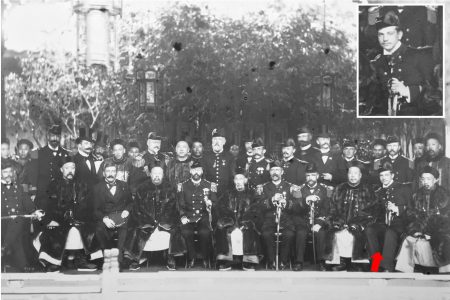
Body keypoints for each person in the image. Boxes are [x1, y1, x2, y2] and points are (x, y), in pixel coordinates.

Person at [38, 156, 98, 272]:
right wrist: (50, 219)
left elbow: (87, 205)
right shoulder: (53, 185)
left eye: (73, 168)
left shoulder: (82, 184)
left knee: (87, 228)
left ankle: (80, 260)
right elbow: (47, 205)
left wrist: (78, 215)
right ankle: (55, 261)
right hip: (59, 218)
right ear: (61, 169)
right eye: (67, 168)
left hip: (79, 218)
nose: (70, 171)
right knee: (55, 231)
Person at [370, 11, 434, 115]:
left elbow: (434, 90)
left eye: (390, 33)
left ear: (399, 35)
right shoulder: (377, 63)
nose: (385, 39)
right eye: (381, 35)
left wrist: (407, 91)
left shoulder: (418, 56)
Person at [123, 166, 179, 271]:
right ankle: (135, 259)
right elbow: (137, 208)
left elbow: (172, 208)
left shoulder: (170, 188)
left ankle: (170, 259)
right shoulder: (142, 188)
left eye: (159, 174)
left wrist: (162, 221)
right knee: (137, 230)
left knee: (174, 229)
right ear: (150, 174)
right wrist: (147, 220)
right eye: (154, 173)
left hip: (164, 221)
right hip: (146, 220)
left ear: (163, 175)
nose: (157, 176)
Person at [396, 166, 450, 273]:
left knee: (443, 241)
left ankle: (444, 272)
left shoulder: (444, 195)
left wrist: (430, 232)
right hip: (420, 229)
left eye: (429, 179)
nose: (426, 182)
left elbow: (445, 218)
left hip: (439, 230)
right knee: (408, 240)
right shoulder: (416, 195)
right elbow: (410, 215)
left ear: (436, 180)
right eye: (423, 179)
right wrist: (416, 230)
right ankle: (406, 272)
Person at [327, 162, 376, 271]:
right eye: (350, 173)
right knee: (339, 233)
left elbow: (371, 210)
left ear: (360, 176)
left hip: (360, 223)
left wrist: (359, 223)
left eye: (355, 173)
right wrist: (339, 221)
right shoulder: (339, 189)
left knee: (358, 233)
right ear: (347, 175)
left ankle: (358, 263)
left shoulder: (367, 190)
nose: (353, 176)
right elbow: (333, 208)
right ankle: (342, 261)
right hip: (341, 222)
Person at [365, 162, 412, 272]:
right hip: (383, 223)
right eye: (381, 175)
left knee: (390, 232)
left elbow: (412, 208)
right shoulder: (378, 192)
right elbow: (375, 210)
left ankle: (387, 266)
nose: (384, 178)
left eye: (386, 175)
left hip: (400, 223)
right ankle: (375, 264)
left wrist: (398, 209)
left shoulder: (403, 188)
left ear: (392, 175)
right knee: (370, 230)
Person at [257, 160, 300, 270]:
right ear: (269, 172)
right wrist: (271, 200)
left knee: (289, 235)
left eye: (277, 170)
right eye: (272, 170)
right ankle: (271, 261)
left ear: (282, 171)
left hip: (286, 219)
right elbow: (258, 206)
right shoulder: (263, 188)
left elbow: (298, 205)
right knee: (266, 234)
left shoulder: (292, 187)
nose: (274, 172)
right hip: (269, 219)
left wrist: (287, 204)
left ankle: (283, 262)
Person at [215, 173, 263, 271]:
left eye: (241, 179)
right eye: (236, 179)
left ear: (245, 180)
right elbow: (221, 207)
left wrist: (244, 221)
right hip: (230, 221)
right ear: (234, 181)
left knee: (248, 229)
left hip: (247, 221)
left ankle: (248, 261)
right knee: (223, 229)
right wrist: (231, 220)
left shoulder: (252, 193)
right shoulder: (227, 193)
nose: (238, 181)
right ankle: (226, 260)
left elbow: (256, 209)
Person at [1, 160, 42, 272]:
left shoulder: (18, 188)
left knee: (17, 222)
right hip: (2, 222)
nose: (8, 174)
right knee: (17, 230)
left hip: (17, 222)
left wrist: (34, 211)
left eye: (10, 171)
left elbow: (27, 202)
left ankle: (3, 249)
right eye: (5, 172)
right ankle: (22, 263)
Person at [93, 161, 133, 270]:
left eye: (113, 171)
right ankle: (107, 259)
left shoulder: (124, 185)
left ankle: (119, 261)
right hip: (106, 216)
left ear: (116, 173)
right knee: (100, 229)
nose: (110, 173)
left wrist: (127, 210)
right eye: (108, 171)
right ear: (104, 173)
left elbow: (130, 202)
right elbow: (95, 209)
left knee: (126, 229)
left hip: (122, 216)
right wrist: (105, 219)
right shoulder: (97, 188)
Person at [177, 160, 218, 268]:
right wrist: (183, 216)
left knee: (205, 232)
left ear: (202, 171)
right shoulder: (183, 186)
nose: (196, 172)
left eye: (198, 170)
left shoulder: (210, 185)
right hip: (189, 216)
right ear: (190, 171)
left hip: (203, 216)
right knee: (186, 232)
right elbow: (180, 205)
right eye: (194, 170)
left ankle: (205, 257)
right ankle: (192, 258)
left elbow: (214, 202)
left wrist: (210, 204)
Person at [292, 163, 330, 271]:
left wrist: (319, 223)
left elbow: (327, 209)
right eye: (308, 175)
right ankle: (299, 262)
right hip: (303, 221)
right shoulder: (299, 190)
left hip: (318, 221)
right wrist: (305, 201)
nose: (310, 178)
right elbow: (295, 209)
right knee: (300, 233)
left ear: (317, 176)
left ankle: (322, 262)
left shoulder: (325, 190)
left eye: (313, 175)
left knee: (321, 233)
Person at [32, 125, 70, 209]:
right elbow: (34, 175)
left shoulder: (66, 154)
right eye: (52, 136)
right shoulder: (38, 153)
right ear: (48, 137)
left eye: (57, 136)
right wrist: (33, 193)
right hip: (43, 194)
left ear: (60, 137)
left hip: (60, 194)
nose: (55, 139)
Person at [201, 128, 235, 196]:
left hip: (225, 192)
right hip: (209, 191)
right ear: (211, 141)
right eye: (214, 139)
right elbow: (202, 175)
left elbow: (232, 175)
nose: (216, 142)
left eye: (219, 139)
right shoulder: (205, 157)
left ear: (224, 142)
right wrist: (209, 184)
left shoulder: (230, 157)